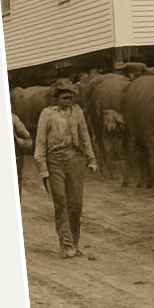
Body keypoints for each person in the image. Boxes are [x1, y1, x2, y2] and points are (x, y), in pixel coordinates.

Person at [33, 78, 98, 258]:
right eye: (64, 97)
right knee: (61, 203)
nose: (67, 101)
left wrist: (91, 159)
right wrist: (43, 170)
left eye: (70, 97)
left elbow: (85, 136)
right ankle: (66, 245)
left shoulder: (77, 112)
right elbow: (40, 144)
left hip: (75, 161)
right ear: (56, 98)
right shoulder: (47, 114)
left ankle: (75, 244)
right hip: (55, 162)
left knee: (76, 204)